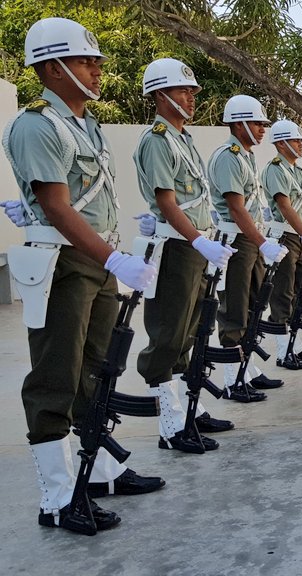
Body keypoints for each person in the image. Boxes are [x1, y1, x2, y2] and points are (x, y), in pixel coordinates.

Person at [2, 17, 163, 532]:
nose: (96, 70)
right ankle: (56, 497)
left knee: (97, 369)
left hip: (96, 259)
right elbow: (56, 207)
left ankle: (99, 473)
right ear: (52, 68)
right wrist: (113, 258)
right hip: (65, 264)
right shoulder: (37, 124)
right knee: (56, 375)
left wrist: (112, 256)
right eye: (85, 61)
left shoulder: (85, 125)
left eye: (95, 61)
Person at [134, 57, 236, 454]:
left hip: (193, 247)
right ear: (160, 95)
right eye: (182, 91)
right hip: (177, 247)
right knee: (168, 334)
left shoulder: (182, 138)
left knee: (190, 331)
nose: (191, 98)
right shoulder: (158, 139)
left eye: (192, 91)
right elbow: (167, 202)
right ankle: (170, 424)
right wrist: (198, 240)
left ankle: (185, 411)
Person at [209, 95, 288, 399]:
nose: (261, 129)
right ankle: (232, 378)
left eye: (263, 124)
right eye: (256, 123)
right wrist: (263, 242)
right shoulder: (229, 156)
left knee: (254, 306)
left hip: (251, 240)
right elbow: (237, 209)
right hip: (237, 241)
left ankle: (247, 369)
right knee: (235, 310)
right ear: (238, 123)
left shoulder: (245, 156)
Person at [261, 120, 302, 369]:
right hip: (285, 235)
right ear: (281, 143)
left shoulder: (297, 171)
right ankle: (281, 351)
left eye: (301, 140)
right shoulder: (276, 168)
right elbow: (284, 206)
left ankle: (294, 344)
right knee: (282, 294)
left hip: (299, 236)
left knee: (299, 292)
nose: (301, 145)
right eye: (297, 140)